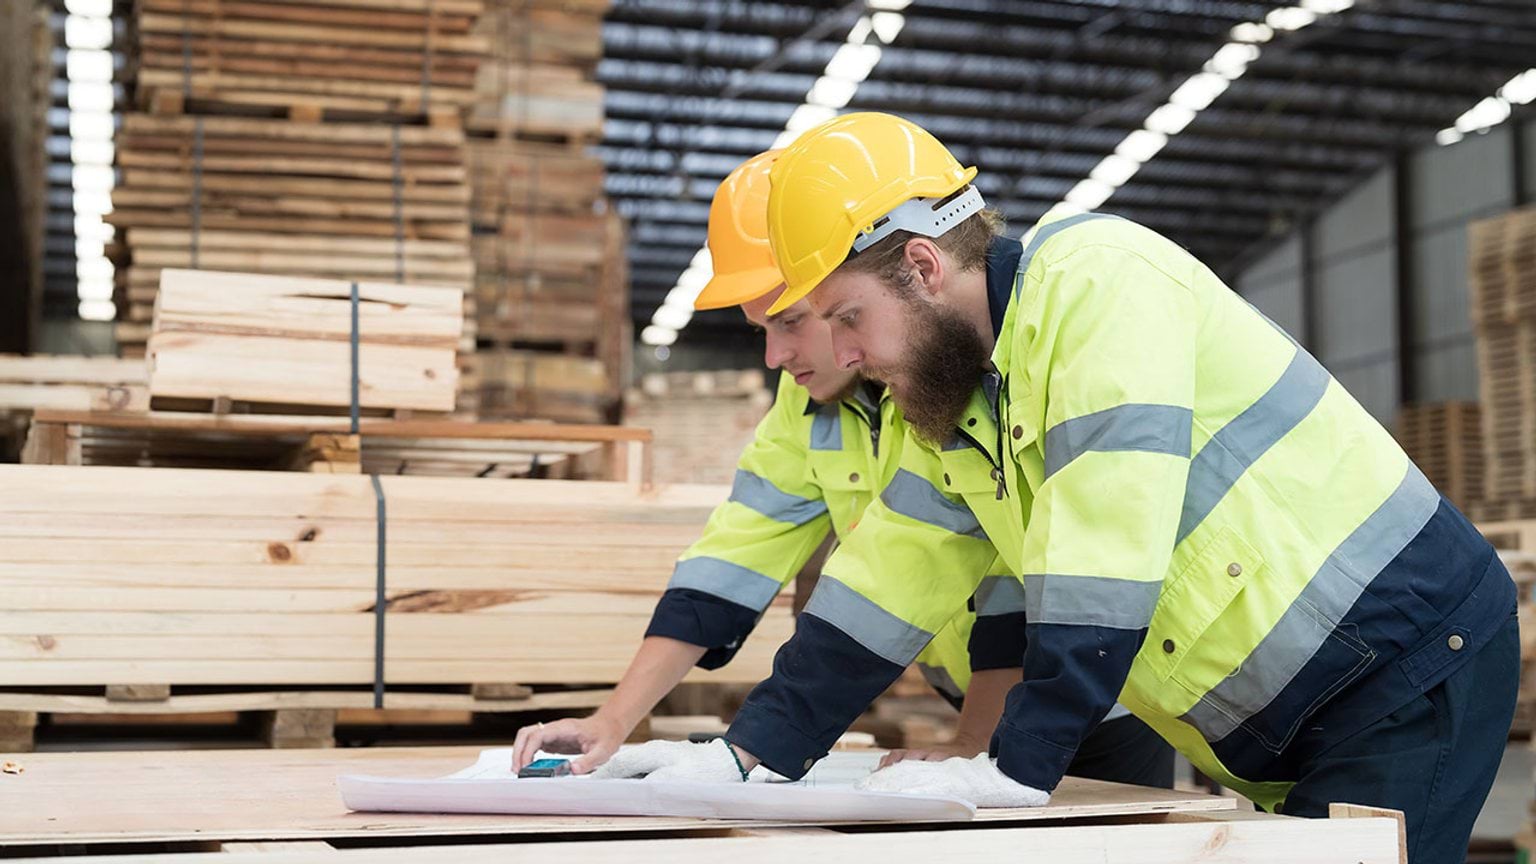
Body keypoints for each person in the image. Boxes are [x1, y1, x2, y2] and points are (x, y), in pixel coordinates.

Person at [596, 113, 1517, 863]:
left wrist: (1016, 762)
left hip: (1404, 663)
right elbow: (886, 578)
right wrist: (748, 755)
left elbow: (1104, 542)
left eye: (848, 317)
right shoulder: (956, 404)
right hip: (1280, 716)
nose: (840, 355)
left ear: (922, 266)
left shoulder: (1096, 283)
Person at [511, 149, 1172, 788]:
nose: (775, 356)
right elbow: (730, 564)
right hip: (981, 704)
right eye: (760, 330)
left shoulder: (959, 385)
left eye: (797, 320)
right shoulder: (809, 407)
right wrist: (615, 720)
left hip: (1091, 696)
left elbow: (1011, 589)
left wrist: (978, 748)